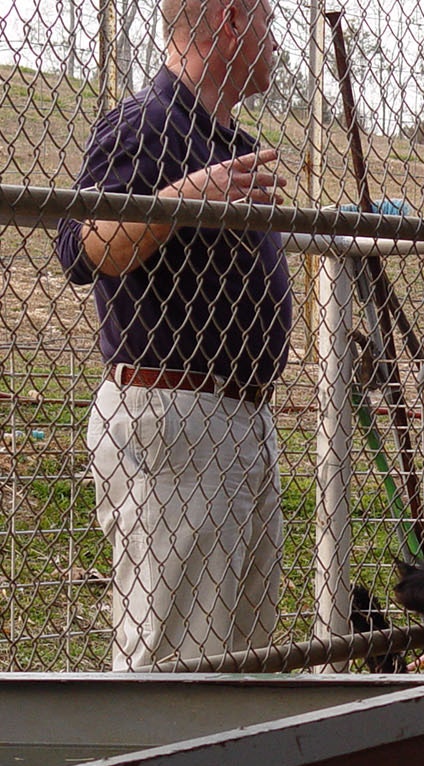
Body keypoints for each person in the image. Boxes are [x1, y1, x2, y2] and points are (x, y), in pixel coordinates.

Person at [54, 0, 293, 670]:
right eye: (267, 25)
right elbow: (82, 247)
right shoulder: (147, 123)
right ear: (228, 21)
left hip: (239, 421)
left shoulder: (228, 142)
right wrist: (184, 197)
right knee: (170, 665)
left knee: (238, 667)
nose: (276, 44)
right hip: (176, 422)